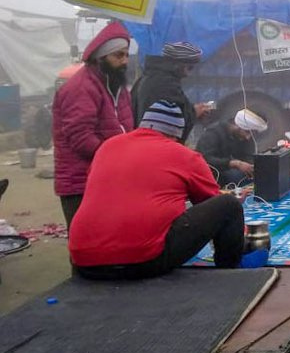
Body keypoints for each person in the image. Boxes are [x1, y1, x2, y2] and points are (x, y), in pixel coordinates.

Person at [68, 101, 244, 279]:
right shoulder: (184, 155)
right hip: (144, 259)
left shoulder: (106, 147)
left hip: (84, 260)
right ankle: (228, 277)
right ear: (177, 134)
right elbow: (210, 202)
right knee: (228, 205)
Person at [52, 21, 134, 229]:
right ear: (101, 57)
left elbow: (125, 127)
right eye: (118, 55)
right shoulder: (81, 87)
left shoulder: (117, 85)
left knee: (109, 238)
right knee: (86, 243)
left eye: (126, 54)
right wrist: (116, 157)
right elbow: (81, 138)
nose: (124, 61)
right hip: (81, 182)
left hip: (107, 176)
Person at [131, 41, 209, 144]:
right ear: (177, 65)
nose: (188, 74)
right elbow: (170, 121)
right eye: (189, 68)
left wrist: (191, 109)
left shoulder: (146, 77)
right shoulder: (167, 84)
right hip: (155, 145)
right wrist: (194, 113)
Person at [196, 108, 268, 187]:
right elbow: (204, 159)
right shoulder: (213, 133)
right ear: (237, 125)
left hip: (230, 172)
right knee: (235, 176)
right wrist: (234, 163)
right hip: (212, 174)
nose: (248, 137)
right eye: (247, 132)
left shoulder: (245, 137)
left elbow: (248, 156)